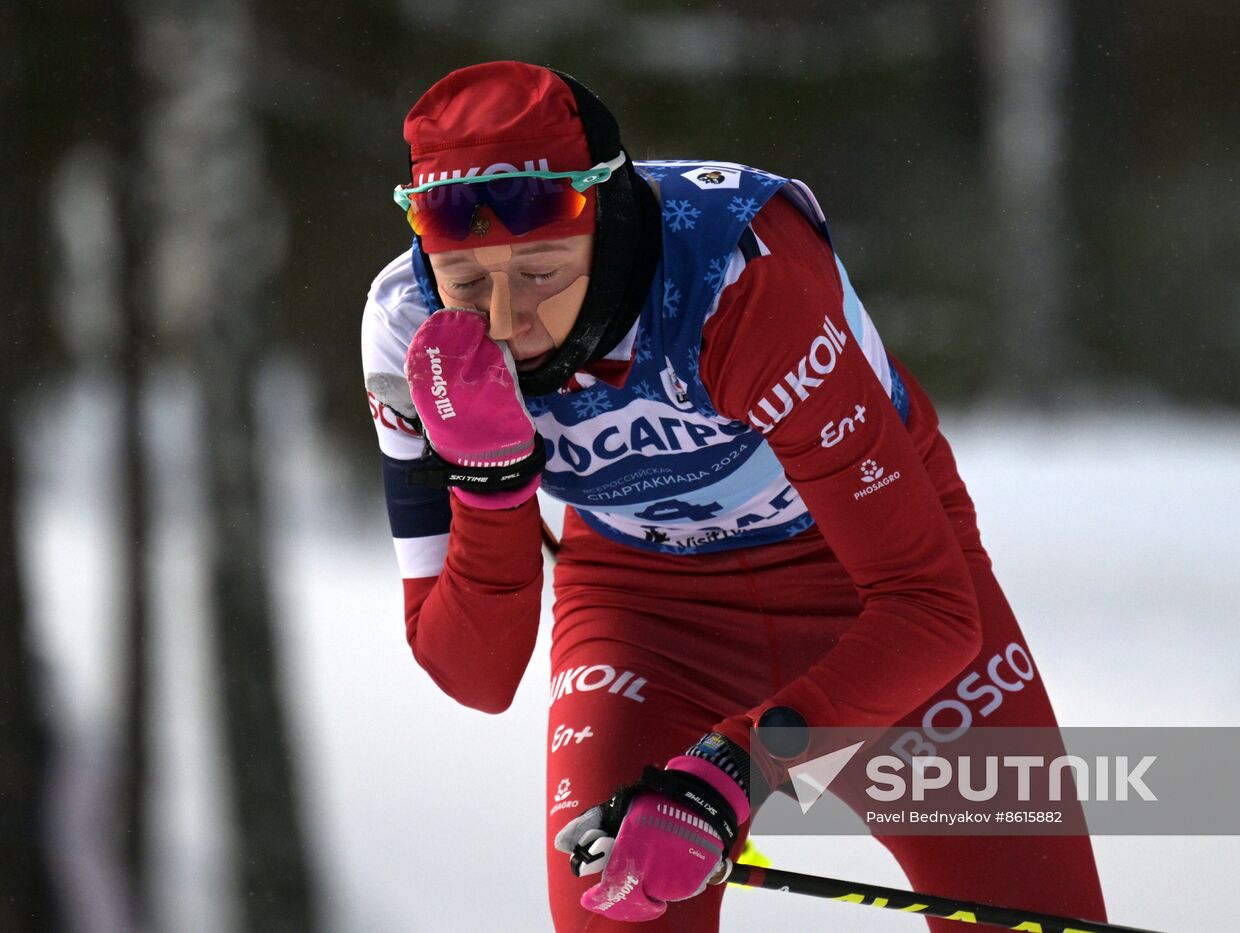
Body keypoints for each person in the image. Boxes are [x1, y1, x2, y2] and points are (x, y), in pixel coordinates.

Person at [361, 61, 1106, 931]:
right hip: (643, 603)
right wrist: (490, 488)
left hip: (863, 582)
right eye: (467, 282)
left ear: (605, 223)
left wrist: (738, 768)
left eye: (540, 272)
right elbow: (474, 672)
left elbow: (932, 609)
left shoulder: (736, 277)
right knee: (618, 911)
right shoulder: (410, 334)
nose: (504, 322)